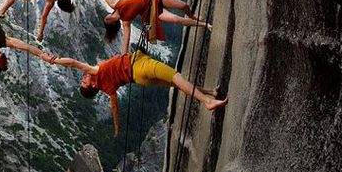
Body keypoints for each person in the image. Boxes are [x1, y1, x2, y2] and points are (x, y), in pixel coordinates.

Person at [46, 50, 227, 137]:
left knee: (177, 83)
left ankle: (210, 91)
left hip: (140, 78)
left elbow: (114, 109)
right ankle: (206, 101)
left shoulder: (107, 89)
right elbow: (75, 63)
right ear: (91, 86)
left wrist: (117, 129)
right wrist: (56, 61)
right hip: (140, 66)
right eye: (83, 82)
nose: (83, 78)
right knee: (176, 77)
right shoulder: (96, 72)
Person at [86, 0, 211, 52]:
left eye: (106, 17)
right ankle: (204, 25)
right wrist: (124, 55)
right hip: (150, 12)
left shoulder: (114, 4)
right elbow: (126, 41)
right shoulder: (126, 22)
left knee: (183, 5)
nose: (106, 17)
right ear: (112, 23)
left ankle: (193, 15)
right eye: (106, 20)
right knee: (177, 19)